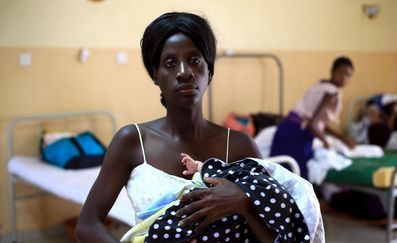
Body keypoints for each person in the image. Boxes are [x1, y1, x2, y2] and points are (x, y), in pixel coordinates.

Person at [76, 12, 322, 243]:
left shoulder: (238, 144)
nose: (184, 72)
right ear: (155, 75)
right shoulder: (133, 140)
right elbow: (88, 225)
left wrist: (244, 201)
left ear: (209, 70)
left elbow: (274, 237)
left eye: (194, 60)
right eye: (170, 63)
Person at [270, 56, 356, 179]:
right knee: (296, 178)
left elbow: (318, 123)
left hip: (287, 128)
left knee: (279, 176)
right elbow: (313, 125)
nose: (344, 78)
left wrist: (342, 138)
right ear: (332, 71)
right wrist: (326, 142)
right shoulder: (331, 94)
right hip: (297, 135)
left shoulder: (320, 84)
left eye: (348, 75)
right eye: (340, 73)